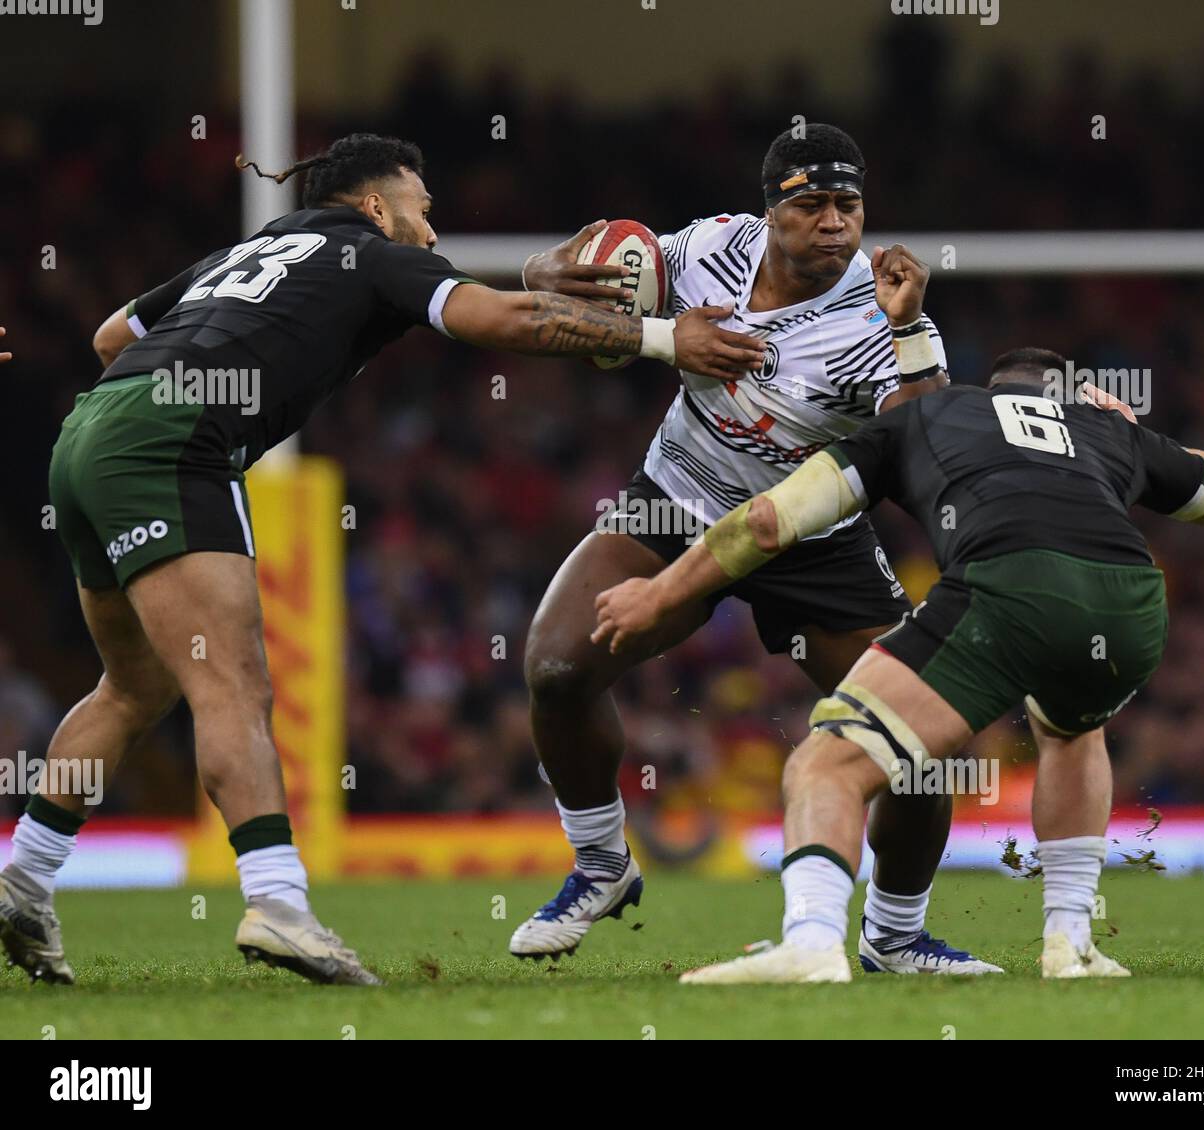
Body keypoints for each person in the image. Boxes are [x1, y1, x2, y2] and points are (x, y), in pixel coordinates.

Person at [0, 133, 764, 987]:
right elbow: (500, 320)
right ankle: (279, 902)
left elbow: (112, 336)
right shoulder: (372, 255)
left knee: (133, 687)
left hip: (89, 434)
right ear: (375, 205)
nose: (431, 234)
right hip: (166, 452)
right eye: (425, 210)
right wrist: (663, 339)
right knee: (237, 686)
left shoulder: (253, 246)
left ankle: (23, 881)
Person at [591, 346, 1204, 982]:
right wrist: (1133, 430)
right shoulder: (1106, 428)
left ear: (993, 389)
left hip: (1009, 586)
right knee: (1071, 730)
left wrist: (659, 593)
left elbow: (768, 523)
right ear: (1070, 394)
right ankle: (1071, 944)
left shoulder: (927, 414)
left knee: (829, 763)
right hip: (1131, 607)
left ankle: (813, 942)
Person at [511, 123, 999, 975]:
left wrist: (914, 329)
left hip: (814, 535)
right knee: (555, 667)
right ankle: (600, 867)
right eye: (812, 204)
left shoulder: (882, 311)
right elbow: (560, 276)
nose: (835, 223)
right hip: (676, 500)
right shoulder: (707, 250)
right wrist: (555, 273)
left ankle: (895, 935)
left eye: (848, 205)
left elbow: (929, 452)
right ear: (770, 209)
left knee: (927, 745)